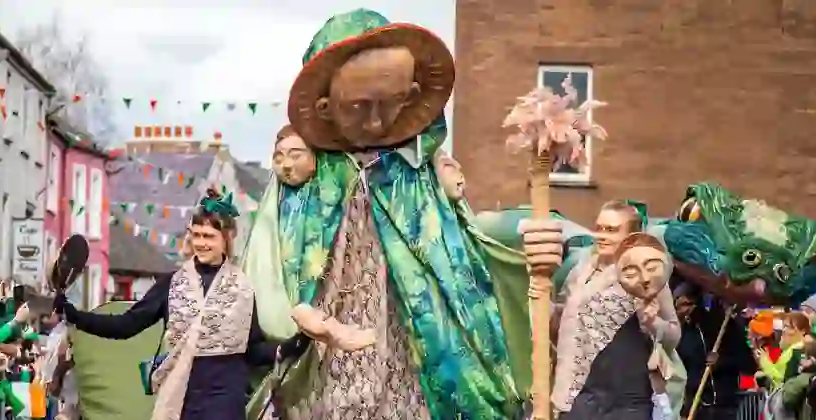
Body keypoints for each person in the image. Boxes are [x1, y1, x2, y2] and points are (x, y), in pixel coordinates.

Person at [246, 9, 567, 420]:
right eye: (360, 106)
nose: (378, 120)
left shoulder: (418, 173)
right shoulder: (302, 180)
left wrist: (527, 250)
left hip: (415, 373)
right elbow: (265, 267)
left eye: (393, 102)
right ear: (325, 106)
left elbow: (465, 256)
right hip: (320, 377)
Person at [55, 189, 309, 420]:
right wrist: (76, 315)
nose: (201, 243)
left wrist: (285, 348)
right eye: (196, 235)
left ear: (226, 238)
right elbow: (126, 325)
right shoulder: (172, 284)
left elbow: (251, 349)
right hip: (182, 395)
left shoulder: (241, 287)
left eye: (209, 236)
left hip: (226, 399)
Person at [551, 201, 680, 420]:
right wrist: (547, 308)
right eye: (599, 228)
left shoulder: (647, 275)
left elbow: (673, 335)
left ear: (631, 236)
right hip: (580, 396)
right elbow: (563, 322)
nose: (601, 236)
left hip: (627, 401)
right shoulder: (581, 271)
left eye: (611, 230)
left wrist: (652, 323)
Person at [674, 284, 756, 420]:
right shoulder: (678, 334)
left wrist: (721, 362)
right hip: (693, 407)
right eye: (678, 306)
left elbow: (749, 365)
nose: (683, 310)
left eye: (686, 304)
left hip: (723, 407)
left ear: (696, 303)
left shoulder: (724, 327)